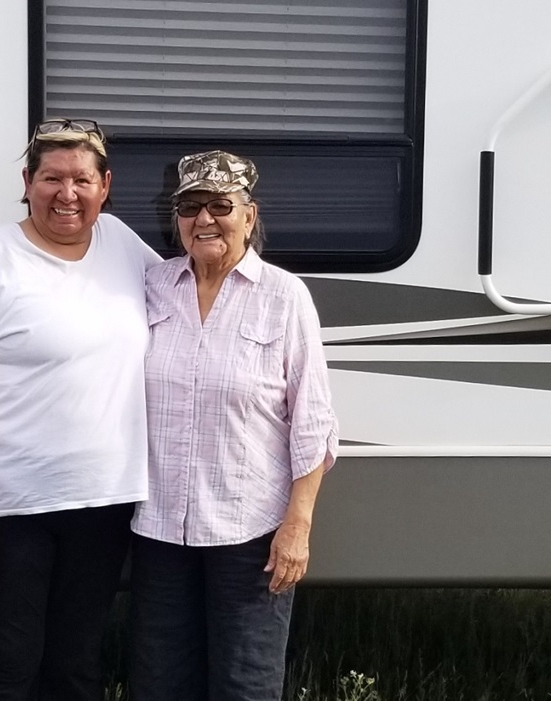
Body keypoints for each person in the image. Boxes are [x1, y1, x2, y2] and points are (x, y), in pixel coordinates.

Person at [0, 118, 162, 701]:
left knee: (76, 668)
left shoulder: (125, 246)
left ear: (106, 185)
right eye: (52, 178)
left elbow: (193, 293)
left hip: (102, 501)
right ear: (28, 182)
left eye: (82, 179)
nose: (67, 194)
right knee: (7, 667)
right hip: (10, 505)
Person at [129, 150, 338, 701]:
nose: (204, 219)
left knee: (244, 685)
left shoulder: (284, 296)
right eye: (190, 205)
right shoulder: (151, 286)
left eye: (220, 205)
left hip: (250, 534)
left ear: (249, 215)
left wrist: (298, 525)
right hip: (159, 527)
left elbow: (313, 421)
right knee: (159, 684)